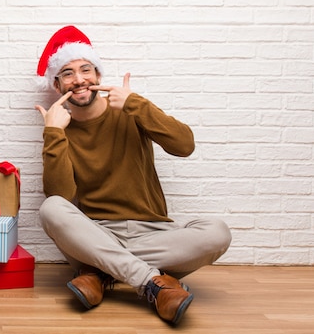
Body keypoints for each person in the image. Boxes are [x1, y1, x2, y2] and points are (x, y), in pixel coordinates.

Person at [34, 25, 231, 325]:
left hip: (150, 231)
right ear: (58, 86)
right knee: (51, 209)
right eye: (67, 74)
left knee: (218, 232)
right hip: (96, 233)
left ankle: (101, 273)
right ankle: (153, 282)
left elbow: (185, 145)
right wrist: (53, 133)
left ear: (98, 75)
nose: (79, 79)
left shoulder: (129, 110)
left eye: (85, 69)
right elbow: (59, 194)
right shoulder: (60, 128)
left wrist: (137, 105)